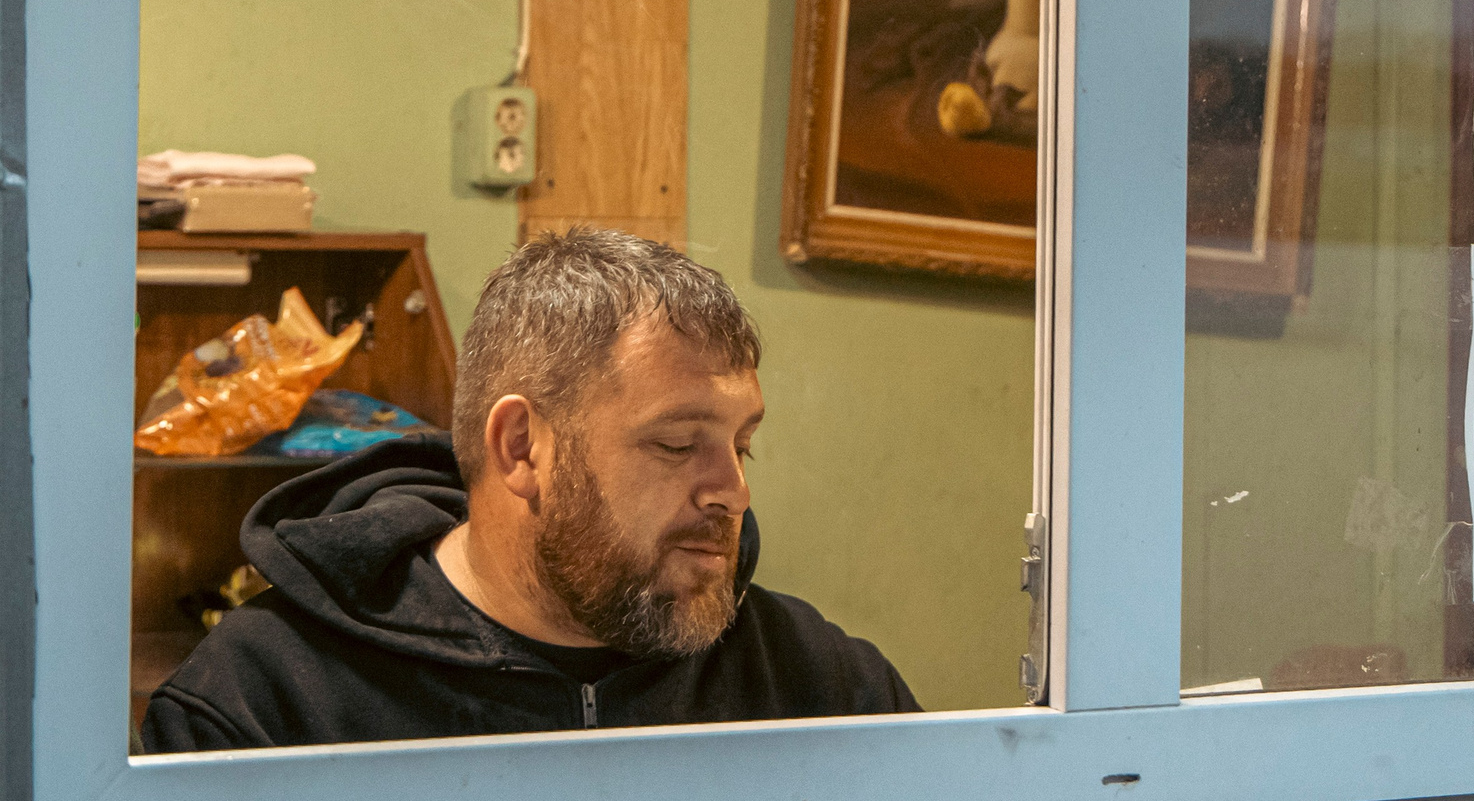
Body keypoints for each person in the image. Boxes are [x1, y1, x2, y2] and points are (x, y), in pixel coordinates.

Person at [141, 226, 920, 749]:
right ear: (522, 447)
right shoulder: (262, 701)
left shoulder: (821, 685)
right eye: (679, 443)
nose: (732, 492)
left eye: (743, 445)